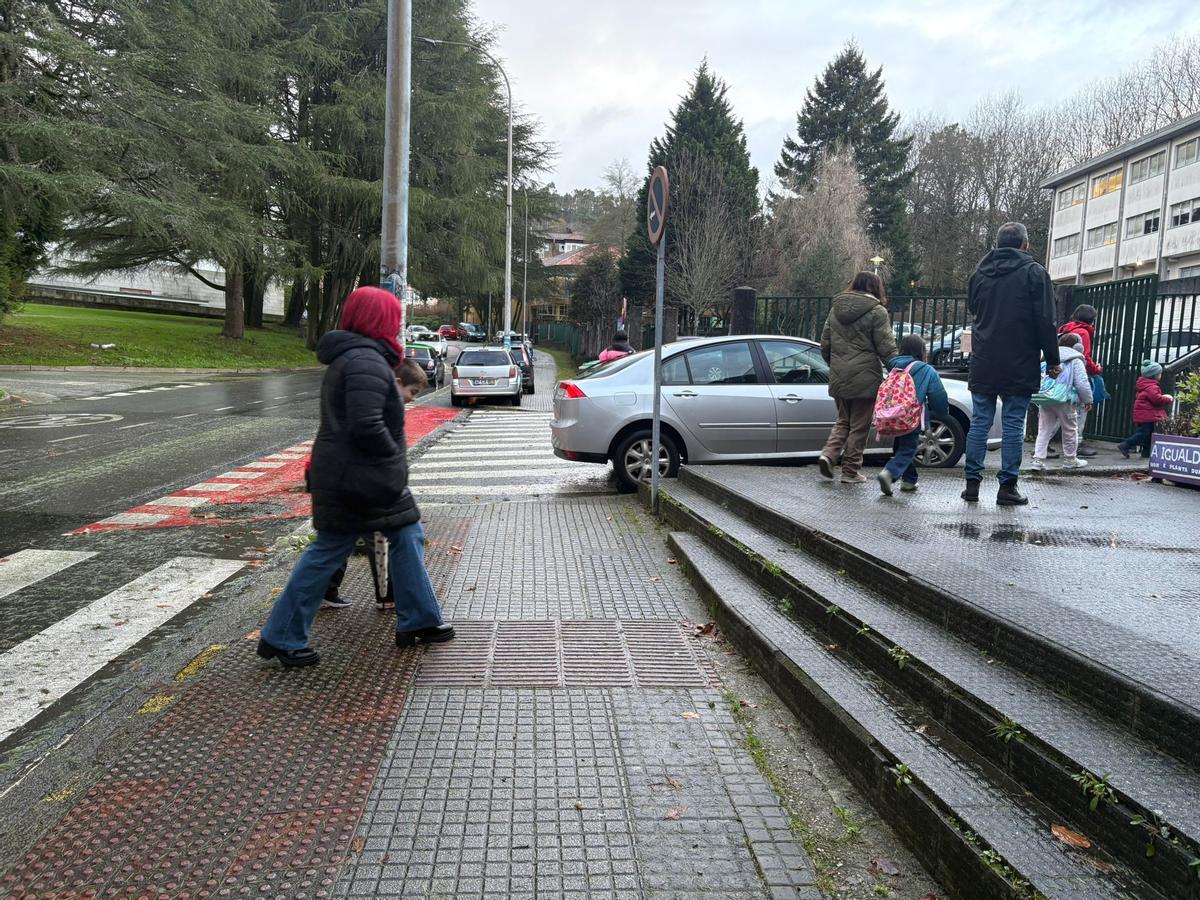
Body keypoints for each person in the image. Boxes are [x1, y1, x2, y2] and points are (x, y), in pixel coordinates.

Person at [257, 287, 453, 668]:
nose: (397, 324)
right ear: (377, 319)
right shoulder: (365, 360)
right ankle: (283, 635)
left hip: (353, 475)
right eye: (393, 317)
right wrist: (392, 457)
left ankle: (420, 620)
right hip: (363, 478)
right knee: (334, 549)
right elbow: (366, 425)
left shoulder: (357, 357)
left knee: (397, 535)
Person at [317, 359, 429, 612]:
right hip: (365, 485)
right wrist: (391, 466)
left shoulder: (366, 384)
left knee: (336, 542)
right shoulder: (382, 400)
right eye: (412, 392)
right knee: (376, 539)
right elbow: (370, 435)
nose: (412, 399)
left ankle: (323, 592)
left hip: (349, 480)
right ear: (398, 382)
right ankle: (387, 597)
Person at [962, 222, 1061, 506]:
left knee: (980, 421)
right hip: (1019, 360)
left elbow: (974, 310)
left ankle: (972, 485)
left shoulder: (979, 274)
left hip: (984, 360)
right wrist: (1053, 360)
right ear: (1025, 244)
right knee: (1014, 423)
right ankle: (1007, 486)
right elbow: (1046, 320)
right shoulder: (1034, 273)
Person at [817, 271, 898, 484]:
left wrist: (836, 366)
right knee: (859, 426)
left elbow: (825, 345)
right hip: (866, 378)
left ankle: (829, 454)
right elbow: (886, 347)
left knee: (843, 420)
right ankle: (850, 472)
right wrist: (898, 370)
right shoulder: (877, 312)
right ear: (876, 287)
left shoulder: (835, 310)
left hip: (839, 376)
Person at [877, 334, 948, 496]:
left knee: (902, 446)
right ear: (922, 351)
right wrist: (941, 413)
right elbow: (938, 395)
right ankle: (889, 472)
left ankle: (909, 481)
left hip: (893, 414)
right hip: (911, 416)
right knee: (908, 448)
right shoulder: (926, 370)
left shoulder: (893, 366)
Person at [1031, 333, 1093, 470]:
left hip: (1046, 397)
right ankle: (1070, 459)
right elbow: (1082, 383)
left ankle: (1038, 460)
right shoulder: (1076, 360)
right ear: (1078, 347)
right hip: (1066, 399)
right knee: (1070, 429)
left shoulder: (1048, 357)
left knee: (1044, 429)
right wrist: (1087, 400)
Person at [1057, 304, 1104, 457]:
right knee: (1079, 410)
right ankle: (1076, 445)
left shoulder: (1064, 329)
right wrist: (1096, 369)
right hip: (1076, 375)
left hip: (1060, 375)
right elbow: (1084, 357)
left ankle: (1042, 447)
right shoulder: (1083, 332)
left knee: (1055, 410)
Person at [1117, 360, 1173, 458]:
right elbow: (1156, 399)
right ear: (1155, 375)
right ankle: (1126, 445)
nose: (1161, 376)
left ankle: (1146, 453)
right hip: (1148, 415)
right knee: (1143, 434)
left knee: (1148, 435)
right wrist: (1167, 399)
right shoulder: (1152, 386)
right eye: (1160, 374)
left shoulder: (1144, 384)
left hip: (1144, 414)